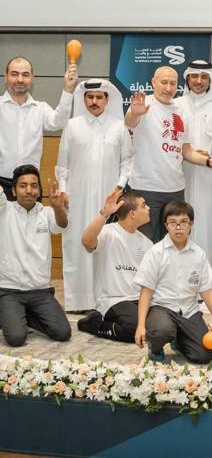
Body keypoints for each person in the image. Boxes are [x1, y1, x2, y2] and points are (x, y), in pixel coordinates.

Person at [55, 79, 132, 311]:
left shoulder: (119, 127)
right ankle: (78, 301)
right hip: (76, 200)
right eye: (90, 97)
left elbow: (127, 162)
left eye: (99, 97)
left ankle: (104, 301)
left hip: (108, 201)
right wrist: (64, 190)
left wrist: (119, 187)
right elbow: (63, 165)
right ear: (84, 99)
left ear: (107, 99)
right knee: (76, 246)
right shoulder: (73, 126)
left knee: (105, 246)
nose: (94, 101)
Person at [124, 66, 212, 242]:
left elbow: (186, 151)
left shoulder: (180, 111)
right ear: (153, 82)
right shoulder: (142, 105)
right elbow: (130, 123)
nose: (168, 88)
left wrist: (208, 162)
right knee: (143, 243)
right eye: (164, 82)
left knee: (172, 244)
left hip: (175, 190)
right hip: (146, 188)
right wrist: (134, 113)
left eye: (172, 83)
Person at [134, 201, 212, 363]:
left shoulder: (199, 254)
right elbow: (146, 291)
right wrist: (141, 326)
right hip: (162, 308)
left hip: (189, 310)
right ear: (166, 225)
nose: (178, 227)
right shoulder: (156, 252)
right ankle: (155, 348)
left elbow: (206, 290)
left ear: (191, 224)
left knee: (205, 355)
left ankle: (180, 340)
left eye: (183, 222)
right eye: (173, 223)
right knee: (161, 331)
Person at [0, 165, 71, 347]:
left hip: (40, 291)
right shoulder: (4, 210)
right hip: (9, 290)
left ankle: (24, 315)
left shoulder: (46, 213)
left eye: (34, 186)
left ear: (39, 191)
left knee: (63, 333)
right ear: (14, 191)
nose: (29, 190)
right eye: (23, 186)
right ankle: (11, 313)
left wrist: (57, 207)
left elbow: (61, 225)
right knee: (16, 338)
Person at [76, 188, 153, 342]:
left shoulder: (147, 243)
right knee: (134, 329)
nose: (149, 208)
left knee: (157, 326)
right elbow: (86, 241)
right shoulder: (108, 232)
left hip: (139, 300)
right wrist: (104, 213)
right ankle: (94, 323)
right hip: (113, 300)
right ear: (132, 213)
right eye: (144, 205)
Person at [0, 56, 78, 198]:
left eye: (25, 74)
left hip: (32, 185)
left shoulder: (40, 108)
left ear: (32, 78)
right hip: (1, 184)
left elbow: (58, 122)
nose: (20, 80)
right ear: (6, 77)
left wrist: (68, 89)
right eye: (14, 74)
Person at [174, 60, 212, 268]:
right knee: (183, 219)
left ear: (211, 80)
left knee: (211, 221)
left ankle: (211, 275)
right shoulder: (176, 104)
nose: (198, 81)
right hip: (181, 172)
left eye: (204, 77)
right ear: (187, 78)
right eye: (194, 76)